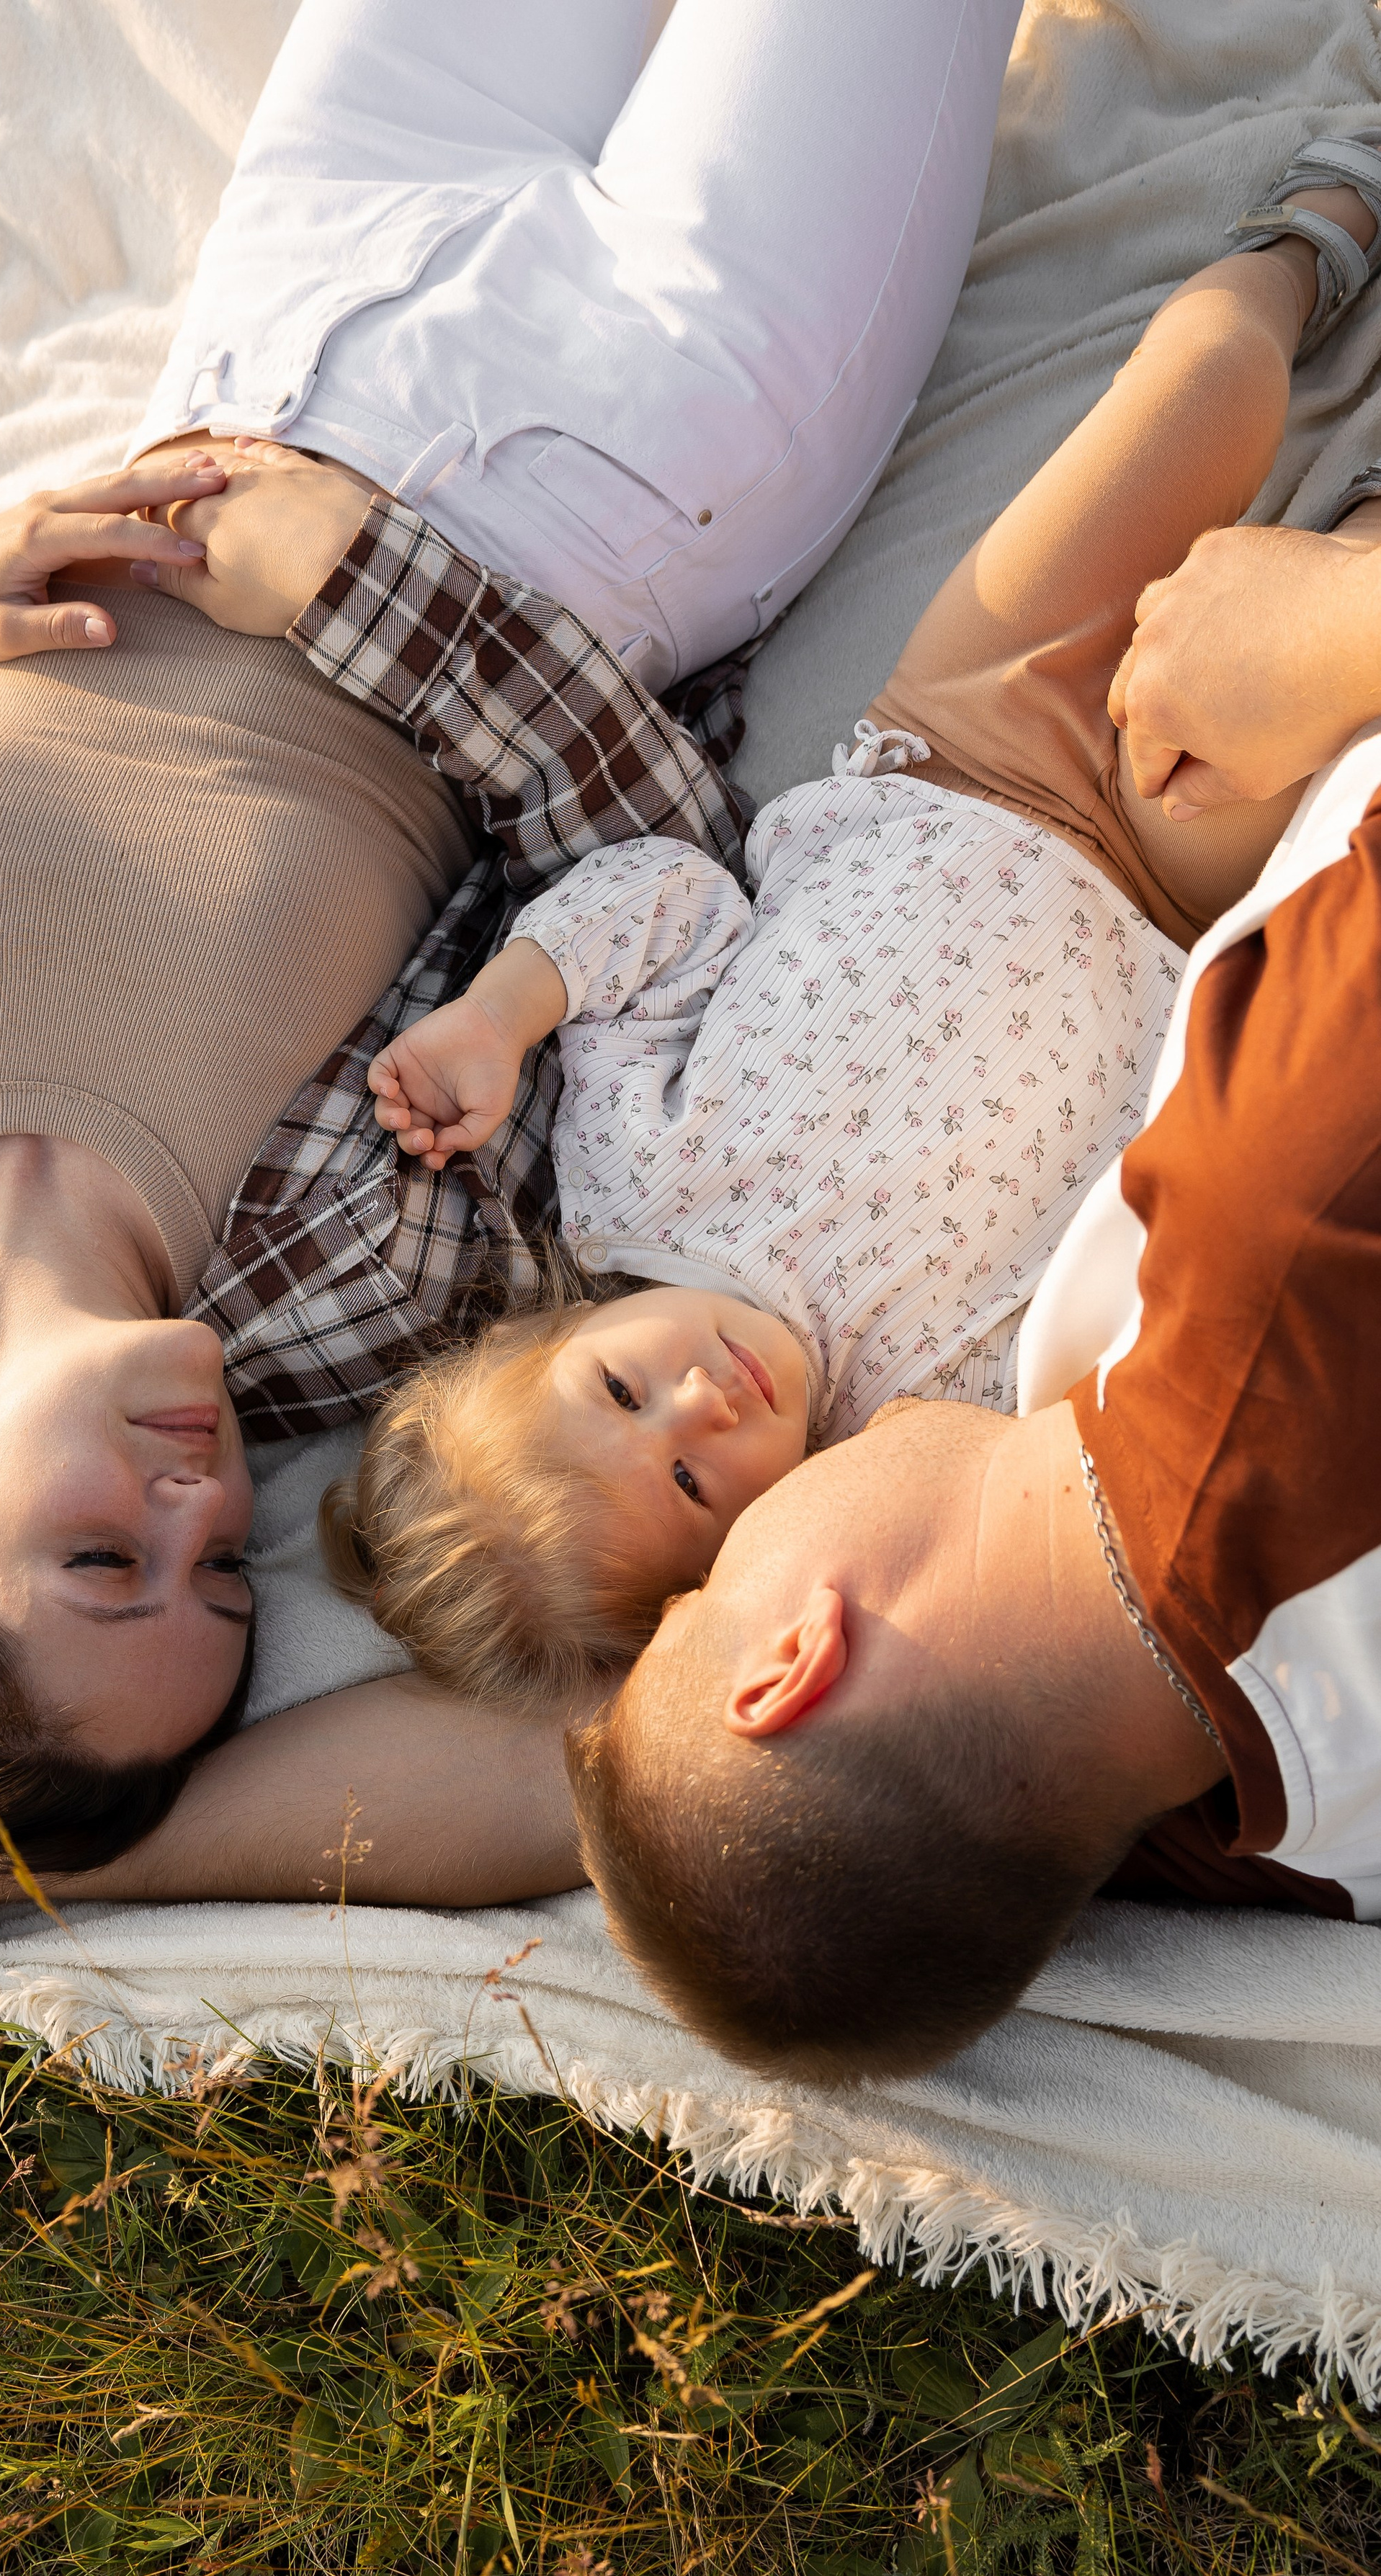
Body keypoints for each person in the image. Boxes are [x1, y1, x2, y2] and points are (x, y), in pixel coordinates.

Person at [0, 0, 1024, 1905]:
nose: (198, 1505)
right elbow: (652, 868)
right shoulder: (347, 1281)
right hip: (632, 446)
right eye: (225, 1575)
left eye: (105, 1559)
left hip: (294, 295)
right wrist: (357, 591)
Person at [566, 138, 1381, 2084]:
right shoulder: (1292, 1217)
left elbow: (815, 1885)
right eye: (696, 1602)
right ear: (790, 1654)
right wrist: (1321, 642)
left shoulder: (1226, 1843)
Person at [323, 692, 1176, 1707]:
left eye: (621, 1391)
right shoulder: (908, 1420)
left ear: (541, 1334)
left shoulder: (625, 1170)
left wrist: (499, 1017)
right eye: (691, 1485)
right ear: (735, 1552)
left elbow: (675, 904)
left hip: (958, 763)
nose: (703, 1401)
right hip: (1170, 907)